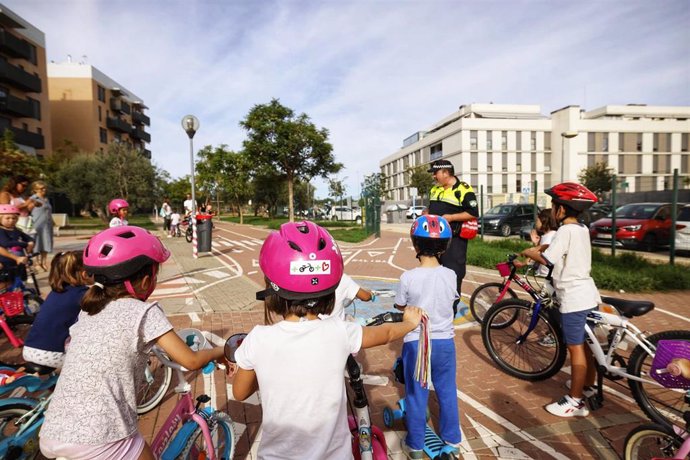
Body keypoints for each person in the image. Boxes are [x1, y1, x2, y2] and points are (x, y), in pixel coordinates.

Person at [231, 221, 423, 459]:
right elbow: (386, 333)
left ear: (272, 290)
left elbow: (240, 393)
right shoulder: (340, 331)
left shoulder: (258, 339)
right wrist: (410, 323)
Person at [39, 226, 229, 459]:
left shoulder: (89, 310)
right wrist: (223, 350)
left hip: (53, 431)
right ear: (146, 280)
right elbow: (191, 360)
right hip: (101, 436)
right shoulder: (144, 312)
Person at [518, 183, 600, 418]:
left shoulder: (564, 231)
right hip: (588, 293)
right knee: (586, 346)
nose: (552, 211)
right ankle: (587, 385)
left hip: (573, 298)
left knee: (575, 348)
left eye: (554, 206)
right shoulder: (581, 229)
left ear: (561, 210)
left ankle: (575, 401)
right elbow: (558, 250)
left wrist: (529, 252)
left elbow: (547, 259)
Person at [394, 215, 462, 458]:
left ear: (415, 245)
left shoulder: (408, 277)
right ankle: (452, 441)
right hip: (445, 343)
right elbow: (452, 299)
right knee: (446, 391)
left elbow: (401, 306)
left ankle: (415, 446)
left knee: (415, 395)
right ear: (444, 246)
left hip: (417, 344)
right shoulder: (451, 275)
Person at [23, 251, 89, 369]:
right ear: (84, 274)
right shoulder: (83, 294)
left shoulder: (56, 292)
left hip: (30, 348)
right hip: (52, 354)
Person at [426, 159, 479, 299]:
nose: (433, 177)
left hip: (454, 241)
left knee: (453, 275)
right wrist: (426, 212)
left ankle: (450, 311)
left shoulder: (463, 189)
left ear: (446, 172)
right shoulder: (435, 189)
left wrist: (451, 217)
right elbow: (432, 207)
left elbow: (473, 212)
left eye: (435, 173)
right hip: (434, 240)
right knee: (433, 274)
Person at [29, 180, 53, 271]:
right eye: (41, 188)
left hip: (47, 224)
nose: (44, 190)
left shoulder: (46, 199)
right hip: (37, 223)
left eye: (44, 188)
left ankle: (44, 262)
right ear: (35, 189)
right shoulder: (33, 198)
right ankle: (37, 263)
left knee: (46, 242)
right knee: (37, 242)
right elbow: (28, 211)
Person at [530, 208, 558, 277]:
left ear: (544, 220)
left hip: (546, 275)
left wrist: (524, 261)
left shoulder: (550, 236)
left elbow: (540, 255)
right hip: (544, 274)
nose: (536, 223)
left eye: (537, 220)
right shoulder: (547, 235)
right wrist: (536, 243)